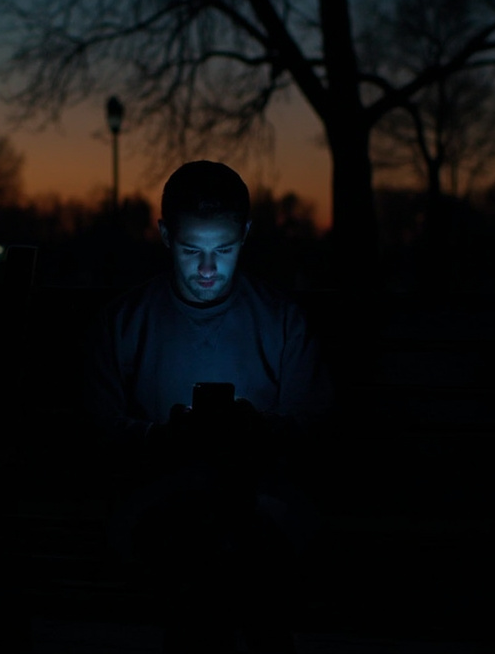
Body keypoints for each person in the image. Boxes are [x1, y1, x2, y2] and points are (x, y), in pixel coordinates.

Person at [83, 160, 332, 653]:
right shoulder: (124, 324)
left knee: (220, 549)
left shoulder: (282, 322)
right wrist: (164, 440)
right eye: (191, 250)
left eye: (223, 250)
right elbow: (97, 427)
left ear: (246, 236)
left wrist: (251, 434)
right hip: (164, 506)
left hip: (261, 506)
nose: (207, 269)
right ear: (165, 236)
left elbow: (313, 424)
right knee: (214, 547)